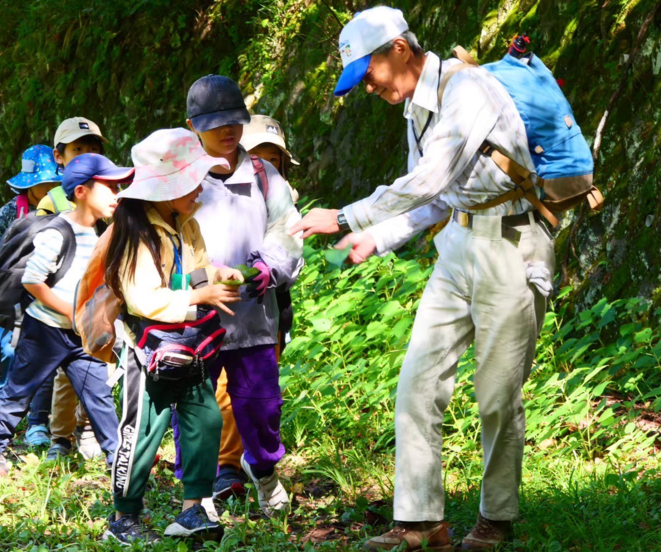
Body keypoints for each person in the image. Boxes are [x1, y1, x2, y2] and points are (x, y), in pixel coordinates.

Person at [290, 6, 555, 551]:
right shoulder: (417, 108)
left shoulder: (467, 91)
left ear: (400, 50)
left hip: (510, 244)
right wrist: (378, 237)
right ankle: (419, 523)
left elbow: (427, 177)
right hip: (457, 245)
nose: (368, 87)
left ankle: (495, 521)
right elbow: (436, 196)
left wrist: (344, 217)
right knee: (417, 383)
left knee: (497, 394)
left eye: (368, 73)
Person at [104, 128, 243, 544]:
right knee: (143, 430)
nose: (201, 188)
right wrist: (200, 294)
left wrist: (217, 273)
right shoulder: (136, 233)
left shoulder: (186, 222)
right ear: (167, 188)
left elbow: (196, 268)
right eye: (193, 181)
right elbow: (143, 298)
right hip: (147, 349)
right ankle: (123, 515)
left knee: (206, 418)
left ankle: (193, 509)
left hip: (189, 342)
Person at [177, 75, 303, 517]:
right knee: (195, 410)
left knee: (262, 406)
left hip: (253, 319)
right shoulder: (178, 179)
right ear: (193, 125)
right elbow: (161, 240)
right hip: (194, 320)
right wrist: (196, 282)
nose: (228, 131)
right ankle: (199, 495)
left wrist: (269, 266)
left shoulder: (265, 177)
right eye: (216, 123)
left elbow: (287, 231)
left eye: (235, 121)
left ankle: (264, 474)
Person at [0, 153, 131, 476]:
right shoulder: (58, 231)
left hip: (80, 334)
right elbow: (33, 281)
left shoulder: (104, 233)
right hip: (45, 330)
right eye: (109, 188)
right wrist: (76, 313)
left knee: (99, 396)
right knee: (19, 390)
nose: (116, 195)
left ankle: (117, 458)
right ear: (81, 192)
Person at [202, 114, 302, 500]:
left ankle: (254, 462)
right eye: (260, 153)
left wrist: (268, 266)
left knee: (260, 398)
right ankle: (221, 471)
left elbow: (288, 239)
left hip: (262, 309)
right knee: (216, 395)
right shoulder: (191, 177)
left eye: (274, 156)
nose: (265, 161)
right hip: (205, 311)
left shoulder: (271, 187)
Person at [0, 144, 62, 448]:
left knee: (45, 352)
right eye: (43, 185)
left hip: (49, 291)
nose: (48, 189)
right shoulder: (10, 211)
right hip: (14, 292)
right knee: (9, 350)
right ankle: (1, 409)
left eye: (52, 184)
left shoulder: (63, 208)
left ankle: (37, 419)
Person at [47, 116, 108, 462]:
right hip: (65, 299)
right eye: (77, 149)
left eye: (93, 148)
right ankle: (60, 435)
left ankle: (87, 428)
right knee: (66, 370)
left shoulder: (109, 193)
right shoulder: (54, 200)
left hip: (101, 297)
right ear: (60, 156)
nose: (86, 155)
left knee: (100, 365)